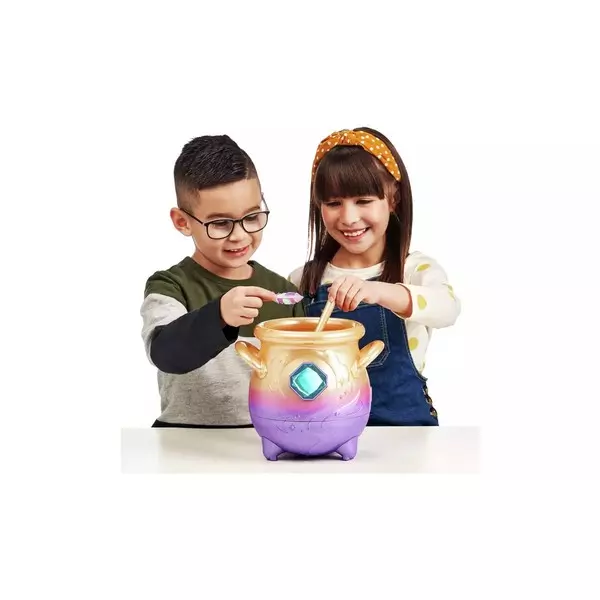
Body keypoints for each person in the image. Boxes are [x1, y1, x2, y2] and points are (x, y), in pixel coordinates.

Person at [289, 127, 461, 426]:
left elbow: (448, 308)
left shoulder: (414, 270)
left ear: (393, 199)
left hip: (406, 432)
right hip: (325, 431)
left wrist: (379, 292)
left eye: (364, 200)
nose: (349, 218)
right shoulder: (304, 279)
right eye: (334, 203)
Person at [141, 135, 304, 428]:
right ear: (182, 222)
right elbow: (166, 354)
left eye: (251, 217)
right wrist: (219, 315)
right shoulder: (170, 286)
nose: (239, 236)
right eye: (220, 223)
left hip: (266, 441)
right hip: (182, 439)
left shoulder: (284, 293)